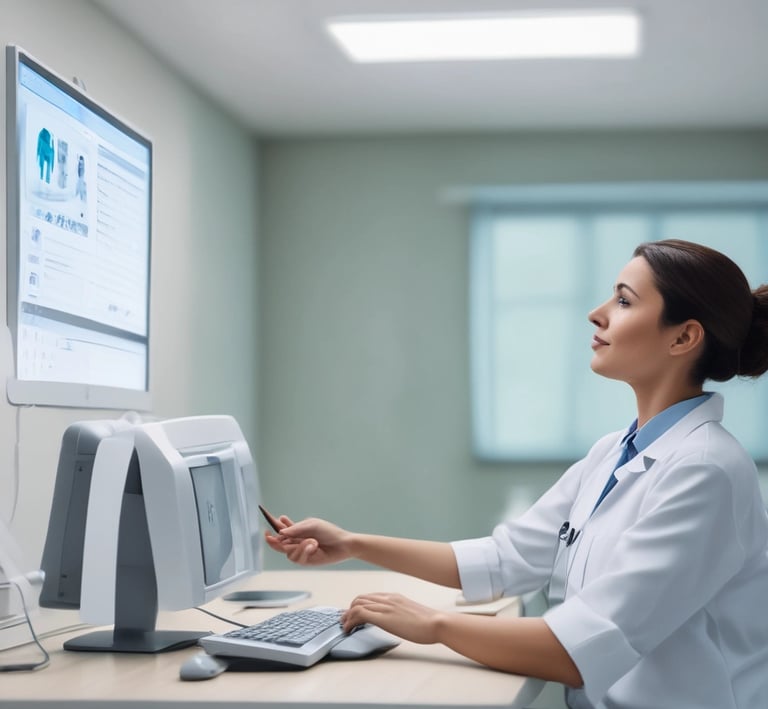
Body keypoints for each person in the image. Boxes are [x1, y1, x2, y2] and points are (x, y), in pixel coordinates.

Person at [265, 239, 768, 709]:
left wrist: (432, 624)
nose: (596, 313)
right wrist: (353, 543)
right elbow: (506, 559)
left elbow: (577, 650)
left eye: (623, 301)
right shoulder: (615, 451)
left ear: (684, 337)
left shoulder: (705, 472)